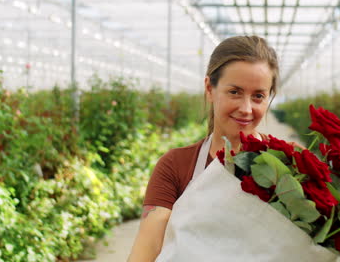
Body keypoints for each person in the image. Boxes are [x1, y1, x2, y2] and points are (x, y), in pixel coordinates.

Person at [127, 35, 304, 262]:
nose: (246, 108)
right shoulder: (176, 166)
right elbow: (147, 249)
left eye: (258, 96)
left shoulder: (291, 162)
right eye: (235, 92)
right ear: (209, 89)